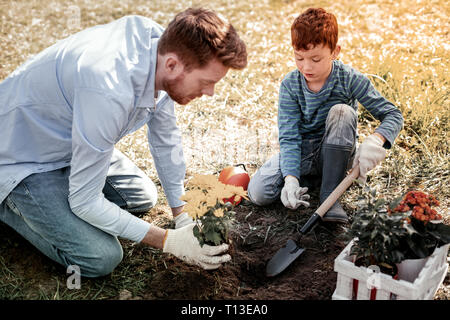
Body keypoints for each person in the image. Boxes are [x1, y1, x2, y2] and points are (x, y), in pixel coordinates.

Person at [0, 8, 247, 277]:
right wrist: (169, 241)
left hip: (68, 142)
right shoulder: (108, 88)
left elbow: (165, 142)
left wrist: (182, 215)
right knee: (101, 257)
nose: (210, 93)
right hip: (22, 158)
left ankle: (59, 194)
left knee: (143, 195)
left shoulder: (160, 48)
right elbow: (84, 201)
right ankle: (10, 206)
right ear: (173, 65)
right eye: (207, 82)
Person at [247, 8, 403, 223]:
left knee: (342, 111)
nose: (306, 67)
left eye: (316, 59)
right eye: (299, 58)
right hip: (304, 151)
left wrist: (377, 139)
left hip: (337, 149)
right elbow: (290, 136)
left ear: (335, 51)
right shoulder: (290, 84)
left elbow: (393, 114)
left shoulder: (349, 79)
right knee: (258, 193)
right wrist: (290, 179)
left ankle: (329, 195)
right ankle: (310, 180)